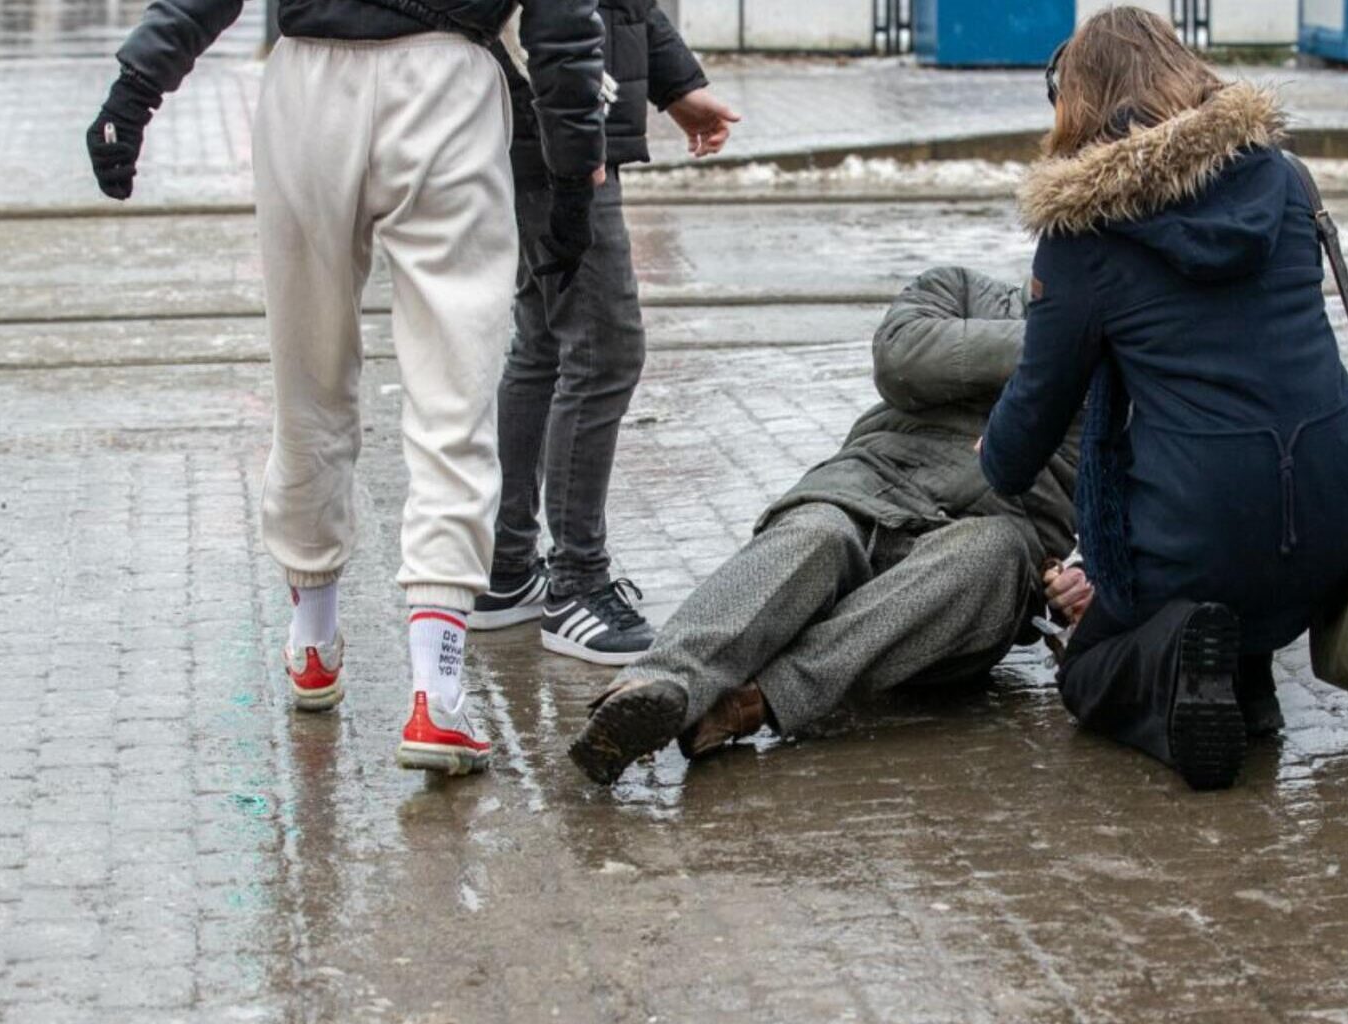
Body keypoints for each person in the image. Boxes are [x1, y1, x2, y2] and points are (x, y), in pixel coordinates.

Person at [88, 0, 606, 775]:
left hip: (306, 79)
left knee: (306, 375)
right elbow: (563, 21)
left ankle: (312, 641)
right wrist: (570, 171)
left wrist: (136, 87)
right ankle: (436, 691)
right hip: (446, 82)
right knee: (452, 389)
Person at [979, 8, 1348, 792]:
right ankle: (1239, 683)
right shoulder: (1283, 176)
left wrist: (990, 456)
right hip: (1340, 514)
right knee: (1236, 518)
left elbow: (1032, 420)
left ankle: (1178, 679)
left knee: (1089, 668)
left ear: (1078, 104)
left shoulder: (1084, 232)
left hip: (1206, 529)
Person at [567, 266, 1079, 786]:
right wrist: (1062, 346)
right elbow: (902, 358)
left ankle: (746, 705)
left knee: (985, 553)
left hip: (991, 537)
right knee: (817, 534)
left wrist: (1081, 582)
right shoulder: (962, 290)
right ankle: (656, 687)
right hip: (868, 486)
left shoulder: (1130, 360)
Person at [471, 0, 742, 669]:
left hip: (551, 112)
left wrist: (676, 83)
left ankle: (507, 569)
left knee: (543, 341)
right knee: (604, 348)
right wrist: (574, 131)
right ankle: (576, 586)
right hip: (553, 115)